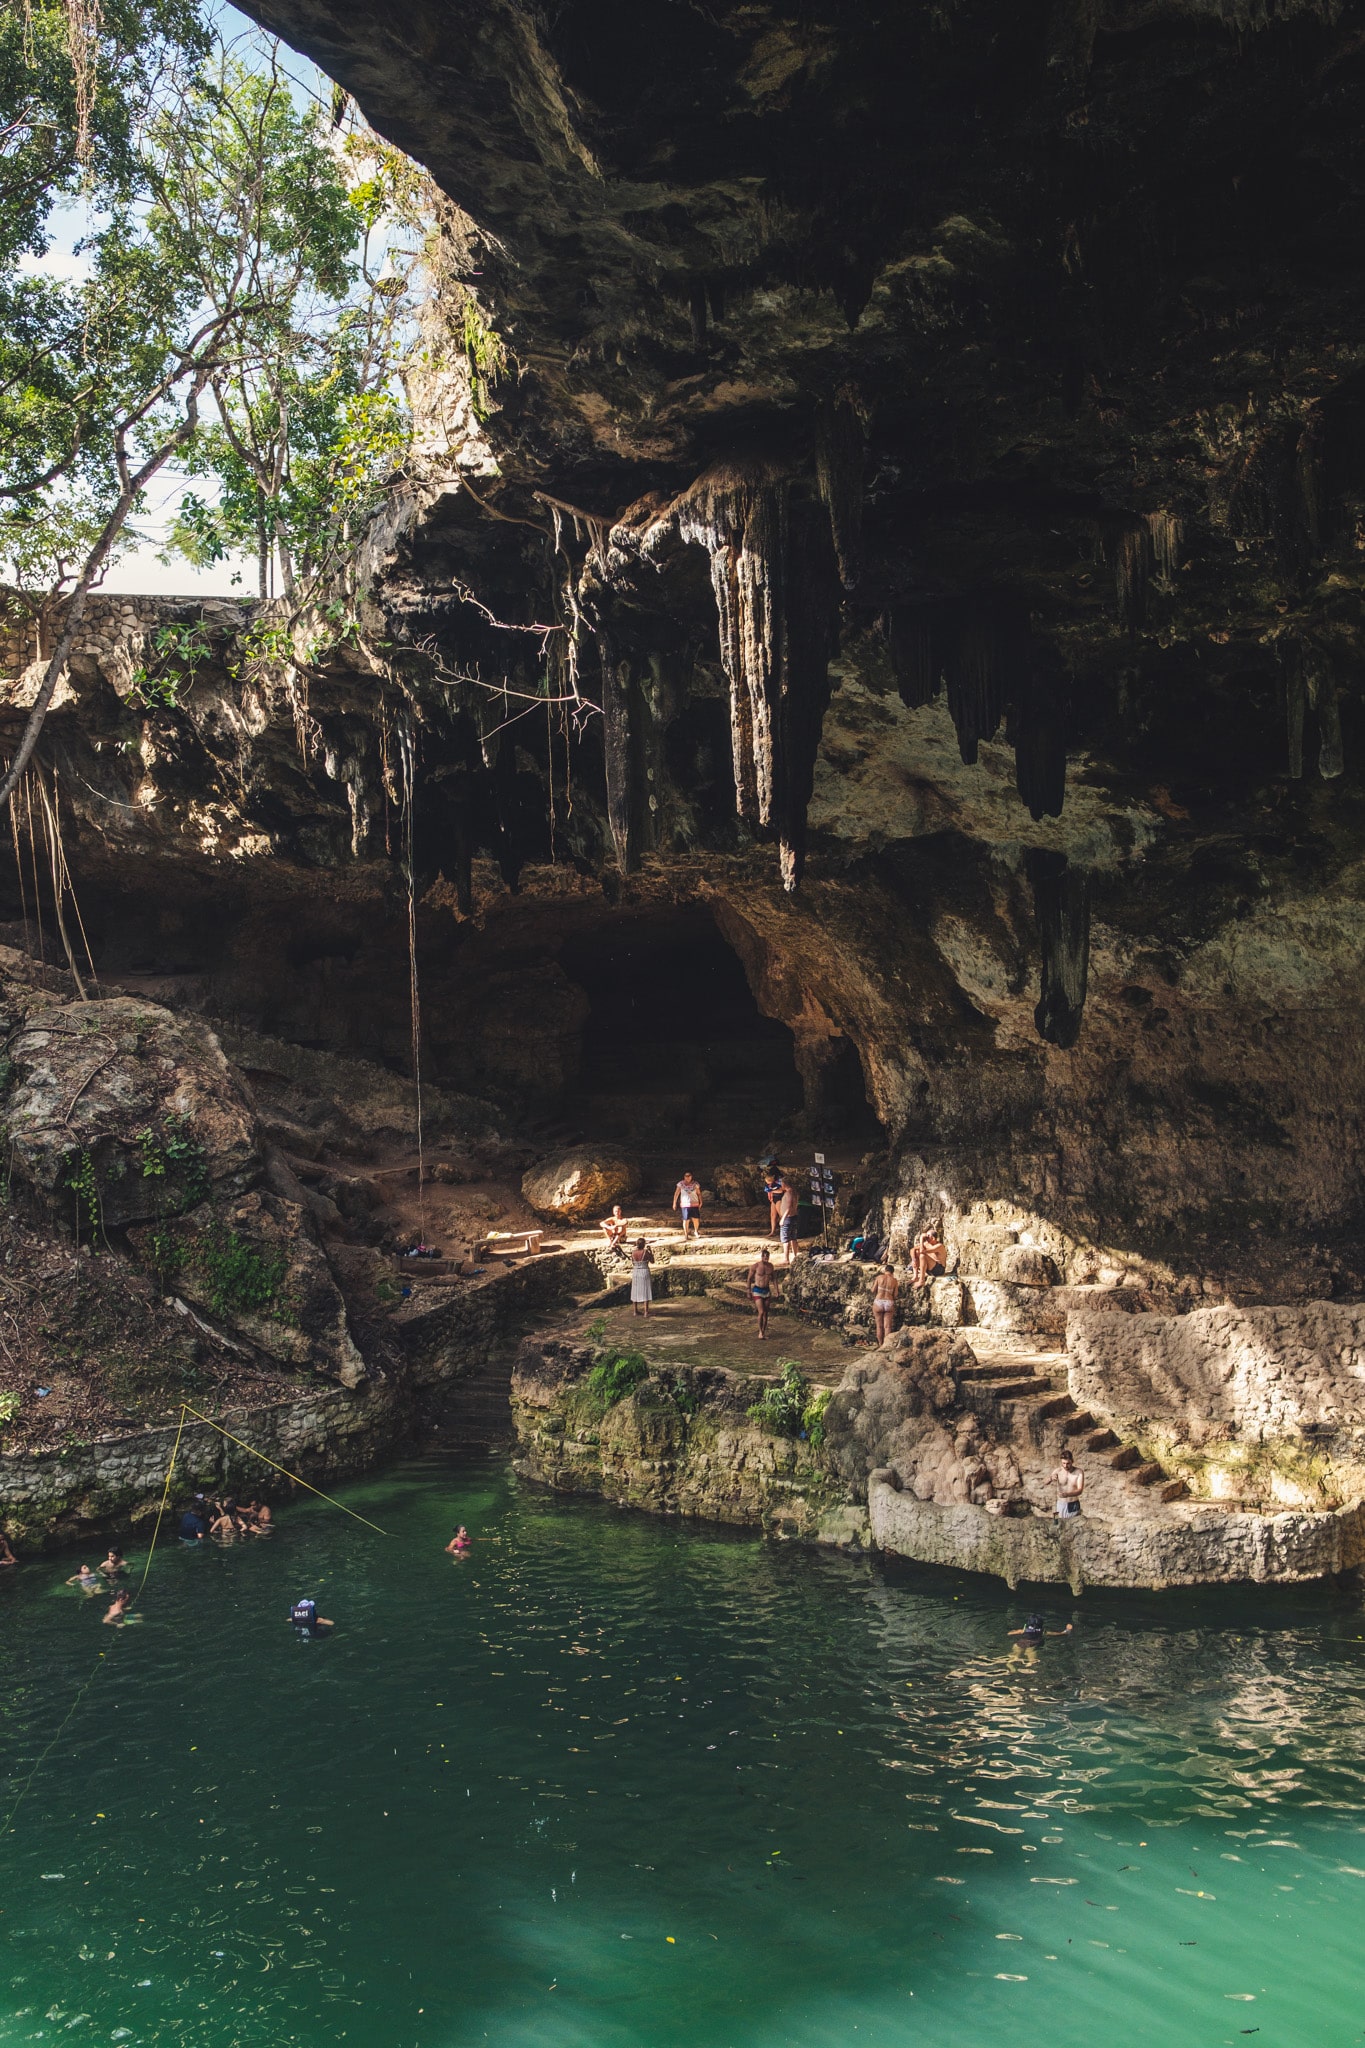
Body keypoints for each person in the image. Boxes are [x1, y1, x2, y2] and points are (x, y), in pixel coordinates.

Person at [747, 1247, 776, 1338]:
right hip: (757, 1290)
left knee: (766, 1313)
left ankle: (763, 1331)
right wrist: (748, 1290)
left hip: (766, 1290)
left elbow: (774, 1278)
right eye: (765, 1257)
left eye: (767, 1257)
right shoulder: (755, 1266)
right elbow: (749, 1279)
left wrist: (776, 1290)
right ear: (762, 1257)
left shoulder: (770, 1266)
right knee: (761, 1312)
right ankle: (760, 1331)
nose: (766, 1259)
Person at [910, 1224, 947, 1289]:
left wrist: (921, 1238)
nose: (926, 1238)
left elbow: (922, 1251)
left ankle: (921, 1280)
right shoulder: (926, 1244)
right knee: (916, 1252)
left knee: (922, 1255)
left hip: (938, 1270)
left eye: (928, 1237)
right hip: (930, 1268)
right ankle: (915, 1277)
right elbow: (912, 1250)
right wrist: (913, 1260)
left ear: (933, 1238)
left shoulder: (939, 1246)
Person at [1052, 1450, 1084, 1519]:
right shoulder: (1058, 1471)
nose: (1065, 1466)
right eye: (1063, 1463)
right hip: (1060, 1504)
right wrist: (1050, 1478)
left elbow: (1080, 1490)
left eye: (1068, 1463)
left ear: (1072, 1461)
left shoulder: (1079, 1472)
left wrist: (1067, 1494)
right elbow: (1045, 1482)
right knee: (1058, 1524)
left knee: (1075, 1525)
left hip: (1073, 1503)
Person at [872, 1263, 899, 1347]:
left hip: (878, 1302)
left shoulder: (879, 1277)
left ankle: (880, 1345)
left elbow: (873, 1290)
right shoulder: (894, 1281)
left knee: (879, 1326)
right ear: (892, 1272)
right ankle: (886, 1346)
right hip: (888, 1302)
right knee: (887, 1327)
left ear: (885, 1270)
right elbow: (895, 1295)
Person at [672, 1171, 703, 1242]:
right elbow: (676, 1194)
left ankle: (696, 1231)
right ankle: (686, 1234)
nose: (687, 1177)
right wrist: (674, 1203)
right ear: (684, 1177)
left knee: (696, 1219)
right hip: (685, 1204)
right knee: (686, 1220)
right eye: (686, 1176)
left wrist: (701, 1201)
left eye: (689, 1176)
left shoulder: (695, 1184)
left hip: (694, 1203)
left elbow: (699, 1193)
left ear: (691, 1177)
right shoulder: (680, 1184)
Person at [777, 1179, 800, 1267]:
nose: (781, 1185)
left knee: (785, 1239)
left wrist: (783, 1218)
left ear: (785, 1184)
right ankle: (795, 1256)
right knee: (793, 1238)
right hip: (793, 1217)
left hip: (788, 1218)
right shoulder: (794, 1193)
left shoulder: (789, 1193)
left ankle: (786, 1259)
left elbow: (789, 1206)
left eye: (781, 1183)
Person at [630, 1237, 654, 1318]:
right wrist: (651, 1252)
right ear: (643, 1244)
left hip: (636, 1272)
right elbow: (652, 1261)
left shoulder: (633, 1252)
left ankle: (635, 1311)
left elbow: (633, 1263)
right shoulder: (645, 1252)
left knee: (635, 1290)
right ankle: (646, 1312)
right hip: (644, 1271)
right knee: (645, 1290)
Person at [1008, 1613, 1073, 1642]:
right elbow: (1056, 1634)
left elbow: (1009, 1634)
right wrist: (1065, 1631)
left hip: (1021, 1643)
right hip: (1032, 1645)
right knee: (1031, 1660)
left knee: (1014, 1656)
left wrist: (1013, 1631)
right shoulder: (1043, 1632)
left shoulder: (1023, 1630)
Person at [763, 1168, 785, 1237]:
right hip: (774, 1199)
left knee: (781, 1215)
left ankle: (783, 1230)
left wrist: (771, 1191)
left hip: (779, 1198)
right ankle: (773, 1231)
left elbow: (781, 1190)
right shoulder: (770, 1183)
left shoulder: (780, 1181)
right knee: (773, 1215)